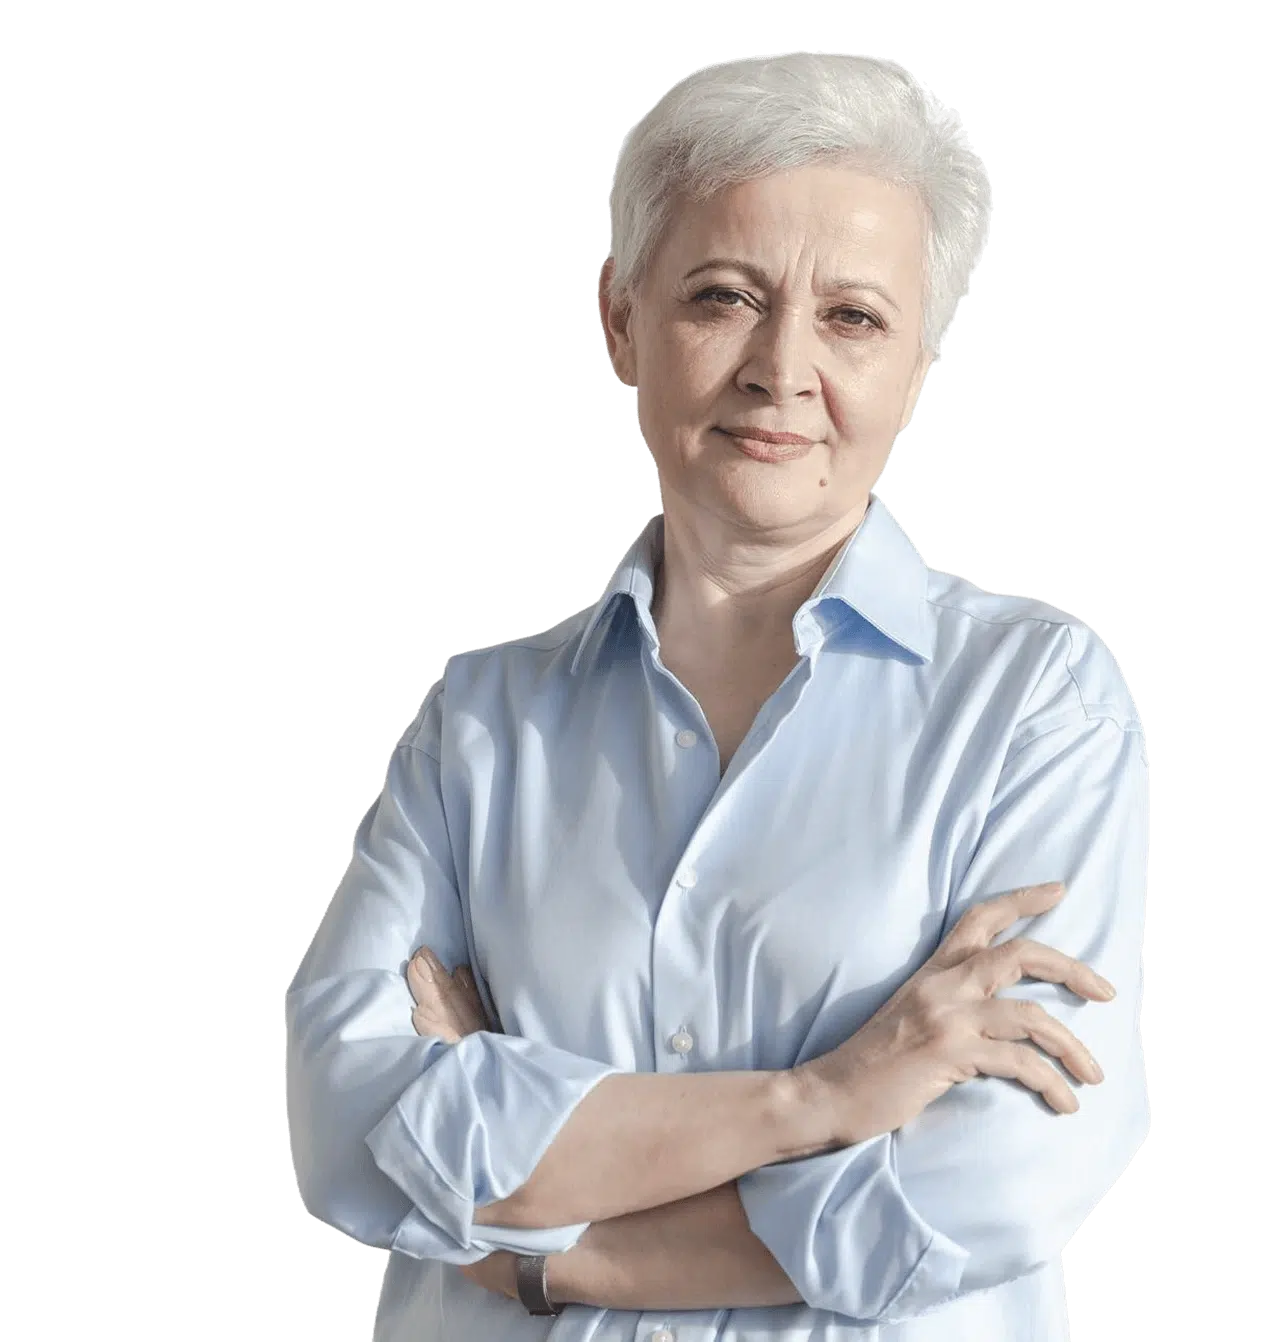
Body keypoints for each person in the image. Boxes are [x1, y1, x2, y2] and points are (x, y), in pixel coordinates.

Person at [284, 49, 1150, 1340]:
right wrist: (826, 1098)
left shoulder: (1036, 698)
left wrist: (553, 1255)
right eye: (722, 296)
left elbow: (998, 1178)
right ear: (618, 320)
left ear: (922, 356)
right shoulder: (477, 722)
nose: (779, 366)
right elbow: (349, 1125)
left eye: (850, 315)